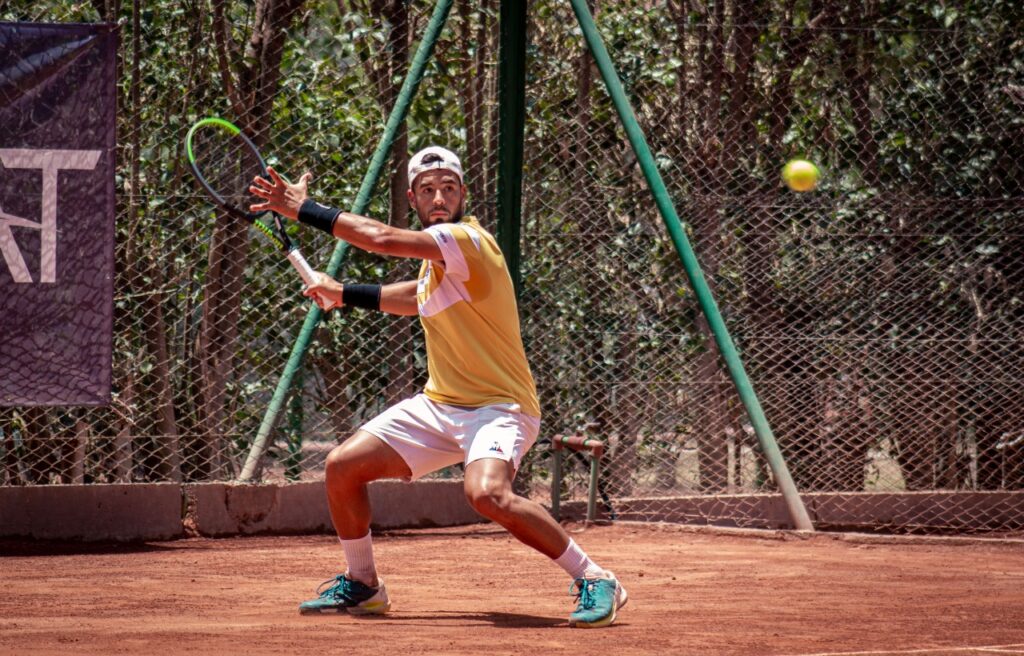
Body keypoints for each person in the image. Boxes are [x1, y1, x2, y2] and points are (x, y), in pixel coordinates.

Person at [248, 146, 627, 628]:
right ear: (413, 198)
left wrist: (301, 208)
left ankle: (595, 578)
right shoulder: (437, 269)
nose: (439, 196)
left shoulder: (468, 240)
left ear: (463, 194)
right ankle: (363, 584)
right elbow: (416, 297)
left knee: (487, 494)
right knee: (342, 467)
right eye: (427, 190)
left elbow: (381, 238)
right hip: (441, 404)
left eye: (449, 187)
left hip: (500, 408)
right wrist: (343, 292)